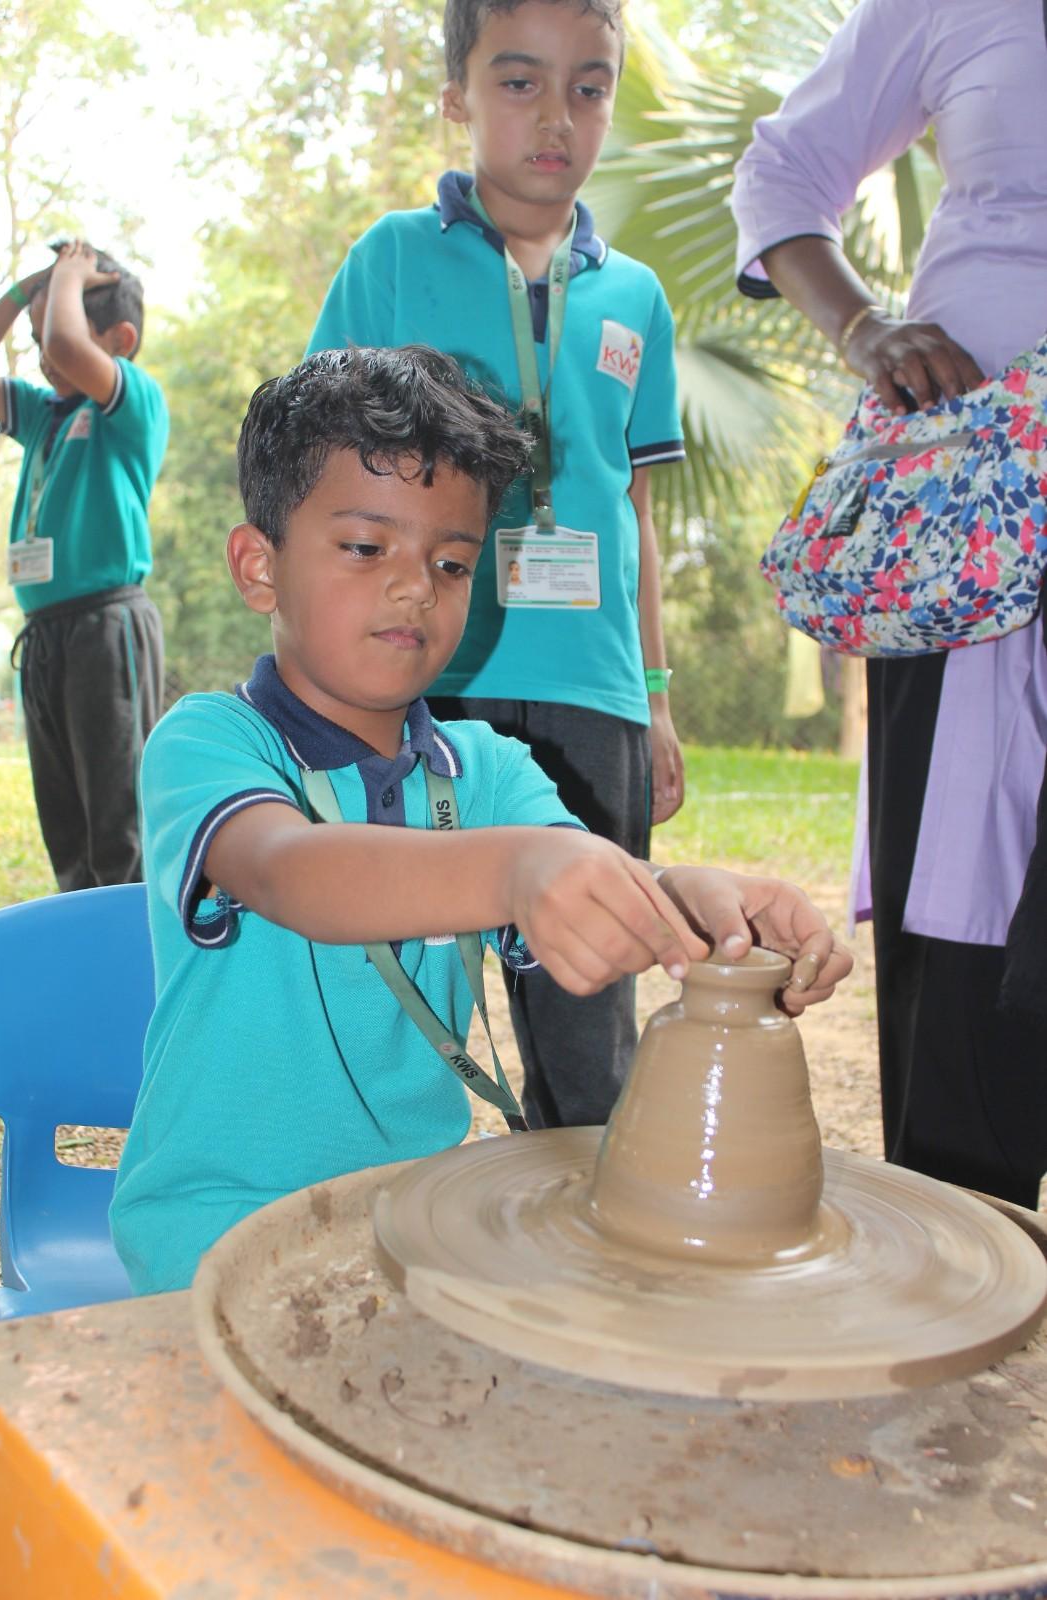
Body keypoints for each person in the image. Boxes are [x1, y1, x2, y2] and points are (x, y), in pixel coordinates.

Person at [109, 346, 851, 1295]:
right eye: (367, 548)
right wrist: (514, 872)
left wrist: (701, 909)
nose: (416, 585)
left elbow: (574, 877)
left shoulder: (488, 772)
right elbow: (291, 872)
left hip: (413, 1221)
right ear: (259, 566)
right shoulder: (209, 743)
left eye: (451, 562)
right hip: (212, 1234)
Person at [306, 0, 688, 1131]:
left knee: (586, 1009)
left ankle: (580, 1256)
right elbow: (324, 467)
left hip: (593, 689)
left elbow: (635, 509)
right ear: (456, 96)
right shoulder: (388, 259)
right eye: (518, 82)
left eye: (589, 84)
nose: (556, 116)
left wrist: (655, 697)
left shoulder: (635, 297)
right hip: (426, 671)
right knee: (396, 985)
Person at [731, 0, 1047, 1207]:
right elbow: (783, 169)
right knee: (959, 962)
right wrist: (863, 327)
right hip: (959, 516)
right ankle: (960, 1303)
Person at [0, 240, 168, 891]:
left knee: (119, 827)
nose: (43, 355)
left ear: (119, 339)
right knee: (67, 830)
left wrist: (70, 273)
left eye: (52, 331)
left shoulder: (130, 406)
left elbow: (65, 347)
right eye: (32, 339)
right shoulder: (43, 416)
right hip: (47, 634)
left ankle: (135, 972)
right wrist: (21, 289)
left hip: (104, 625)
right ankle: (87, 960)